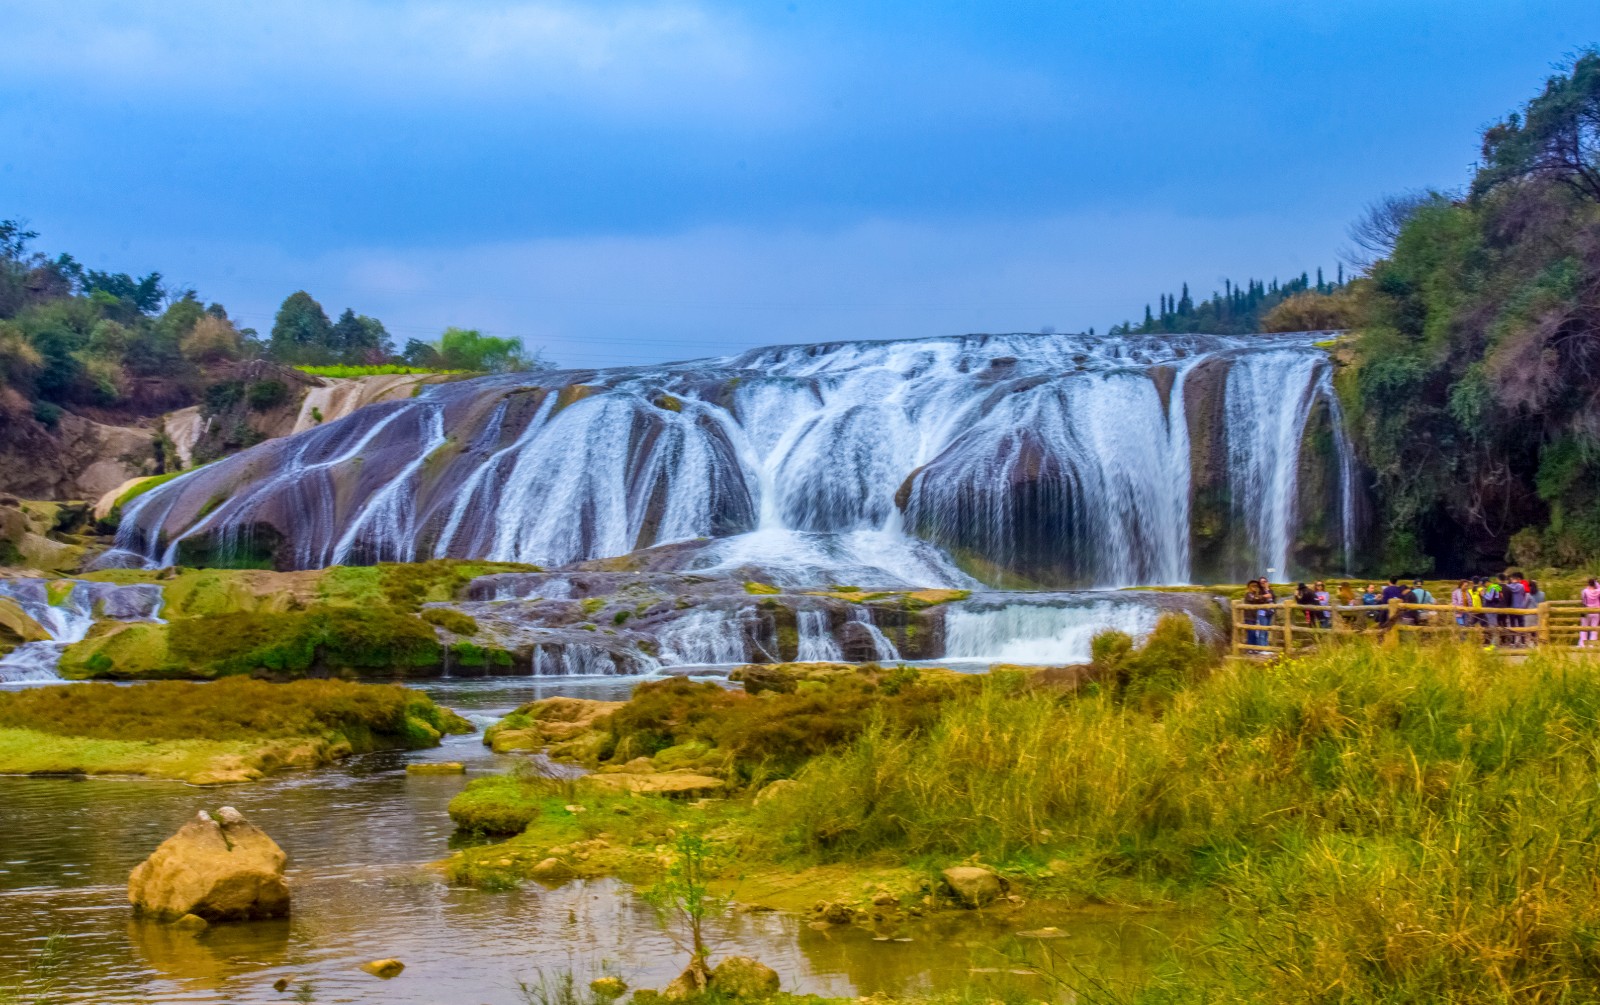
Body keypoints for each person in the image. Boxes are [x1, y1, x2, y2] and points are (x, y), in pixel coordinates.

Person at [1243, 580, 1266, 647]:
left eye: (1256, 586)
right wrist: (1263, 596)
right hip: (1248, 617)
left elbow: (1261, 601)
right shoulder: (1248, 594)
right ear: (1249, 587)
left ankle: (1254, 648)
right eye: (1253, 586)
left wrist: (1261, 595)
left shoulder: (1255, 595)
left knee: (1254, 633)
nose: (1255, 587)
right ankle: (1250, 648)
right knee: (1251, 633)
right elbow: (1254, 599)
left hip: (1254, 617)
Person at [1581, 578, 1600, 648]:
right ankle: (1592, 644)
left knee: (1584, 628)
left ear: (1588, 583)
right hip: (1596, 611)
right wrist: (1596, 583)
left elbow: (1583, 599)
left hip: (1586, 611)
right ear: (1594, 584)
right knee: (1594, 628)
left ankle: (1583, 644)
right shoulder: (1598, 591)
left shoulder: (1584, 591)